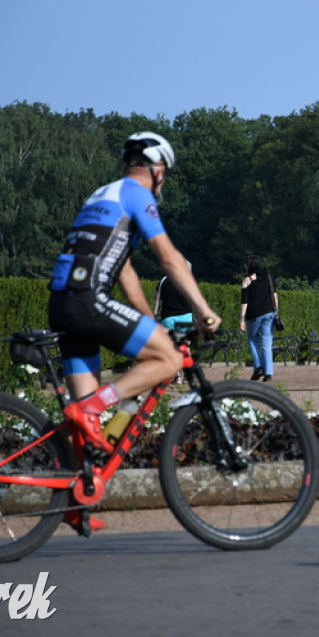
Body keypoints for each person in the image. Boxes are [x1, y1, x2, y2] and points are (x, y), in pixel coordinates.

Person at [48, 132, 220, 531]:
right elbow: (169, 258)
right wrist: (204, 311)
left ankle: (74, 502)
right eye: (166, 174)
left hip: (63, 301)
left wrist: (151, 322)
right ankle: (91, 408)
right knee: (170, 358)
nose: (165, 180)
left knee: (82, 428)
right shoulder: (136, 194)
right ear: (157, 169)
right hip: (87, 298)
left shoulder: (100, 195)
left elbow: (125, 271)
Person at [240, 254, 278, 382]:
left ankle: (258, 368)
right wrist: (276, 311)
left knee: (252, 339)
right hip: (269, 313)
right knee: (267, 342)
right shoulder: (269, 277)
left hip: (254, 315)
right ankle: (268, 373)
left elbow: (244, 302)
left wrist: (242, 318)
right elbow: (274, 295)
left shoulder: (247, 280)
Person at [155, 260, 196, 331]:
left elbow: (157, 296)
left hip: (168, 317)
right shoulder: (189, 282)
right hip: (185, 316)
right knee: (185, 339)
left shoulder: (164, 280)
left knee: (168, 341)